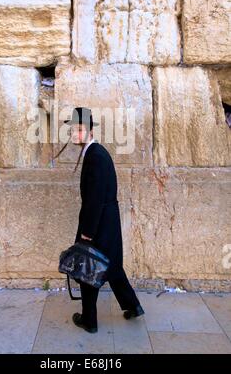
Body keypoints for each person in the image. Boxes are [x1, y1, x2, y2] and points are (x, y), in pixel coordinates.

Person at [54, 107, 145, 334]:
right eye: (72, 130)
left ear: (90, 130)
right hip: (107, 224)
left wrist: (87, 232)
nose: (75, 134)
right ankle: (133, 306)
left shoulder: (95, 156)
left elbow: (94, 199)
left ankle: (89, 320)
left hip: (99, 224)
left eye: (79, 129)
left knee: (88, 269)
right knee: (112, 267)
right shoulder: (96, 153)